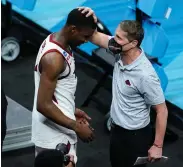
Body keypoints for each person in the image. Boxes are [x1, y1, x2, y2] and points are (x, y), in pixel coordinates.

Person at [78, 7, 168, 167]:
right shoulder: (119, 49)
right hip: (117, 129)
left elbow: (162, 110)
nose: (114, 41)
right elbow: (95, 36)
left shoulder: (145, 75)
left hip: (136, 136)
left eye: (118, 38)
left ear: (133, 43)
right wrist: (90, 16)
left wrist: (157, 146)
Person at [31, 8, 97, 166]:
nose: (87, 41)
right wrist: (76, 126)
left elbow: (52, 92)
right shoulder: (54, 58)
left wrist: (70, 110)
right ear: (73, 29)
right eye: (85, 36)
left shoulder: (56, 40)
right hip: (54, 136)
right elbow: (43, 104)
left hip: (57, 127)